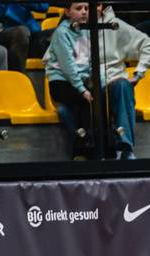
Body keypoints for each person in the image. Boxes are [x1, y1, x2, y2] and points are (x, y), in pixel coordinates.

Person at [95, 3, 150, 159]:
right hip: (85, 84)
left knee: (122, 85)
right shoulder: (69, 29)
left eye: (97, 4)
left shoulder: (115, 26)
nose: (90, 9)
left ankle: (125, 149)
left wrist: (138, 74)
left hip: (112, 82)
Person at [45, 2, 95, 160]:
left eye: (86, 8)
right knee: (86, 100)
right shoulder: (61, 32)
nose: (84, 12)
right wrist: (82, 89)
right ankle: (83, 146)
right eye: (78, 8)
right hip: (60, 81)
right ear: (67, 12)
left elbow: (91, 60)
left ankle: (84, 146)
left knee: (93, 99)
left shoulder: (87, 30)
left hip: (79, 80)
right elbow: (68, 66)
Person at [0, 2, 53, 72]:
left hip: (31, 35)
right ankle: (17, 76)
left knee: (56, 34)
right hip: (3, 37)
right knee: (21, 32)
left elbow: (44, 6)